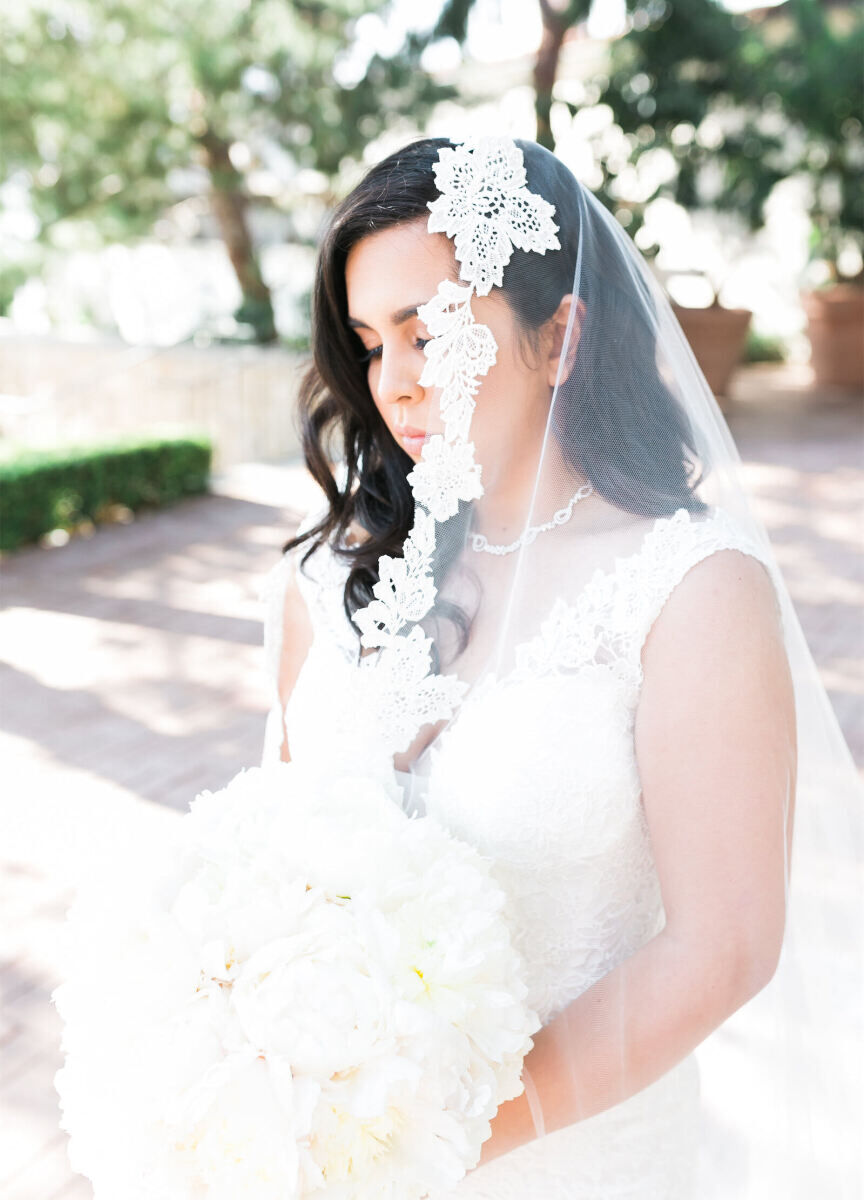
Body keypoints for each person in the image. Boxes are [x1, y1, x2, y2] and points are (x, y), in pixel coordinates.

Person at [258, 135, 863, 1197]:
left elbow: (725, 947)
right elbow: (266, 868)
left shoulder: (691, 590)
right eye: (367, 343)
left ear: (561, 335)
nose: (393, 385)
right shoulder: (325, 584)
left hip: (574, 1164)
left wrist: (426, 1142)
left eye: (428, 333)